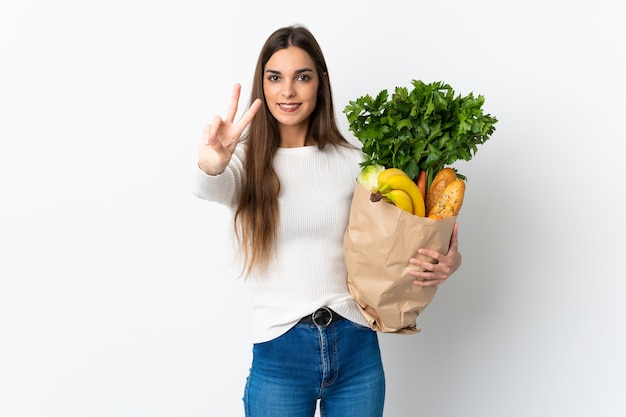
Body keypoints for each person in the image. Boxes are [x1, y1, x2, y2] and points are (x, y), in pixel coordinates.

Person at [194, 25, 462, 417]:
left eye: (301, 77)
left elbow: (397, 242)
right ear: (262, 85)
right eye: (275, 78)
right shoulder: (245, 165)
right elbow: (208, 186)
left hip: (356, 347)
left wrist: (449, 262)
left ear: (320, 83)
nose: (287, 91)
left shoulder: (356, 163)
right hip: (280, 352)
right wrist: (210, 163)